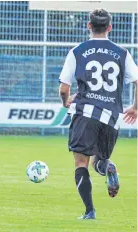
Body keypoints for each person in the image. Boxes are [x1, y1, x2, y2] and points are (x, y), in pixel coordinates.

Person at [59, 9, 137, 219]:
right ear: (109, 27)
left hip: (86, 114)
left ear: (88, 26)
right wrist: (135, 107)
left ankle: (89, 211)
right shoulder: (122, 52)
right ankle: (108, 167)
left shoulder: (77, 51)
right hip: (112, 118)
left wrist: (66, 101)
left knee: (81, 163)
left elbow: (64, 88)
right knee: (99, 162)